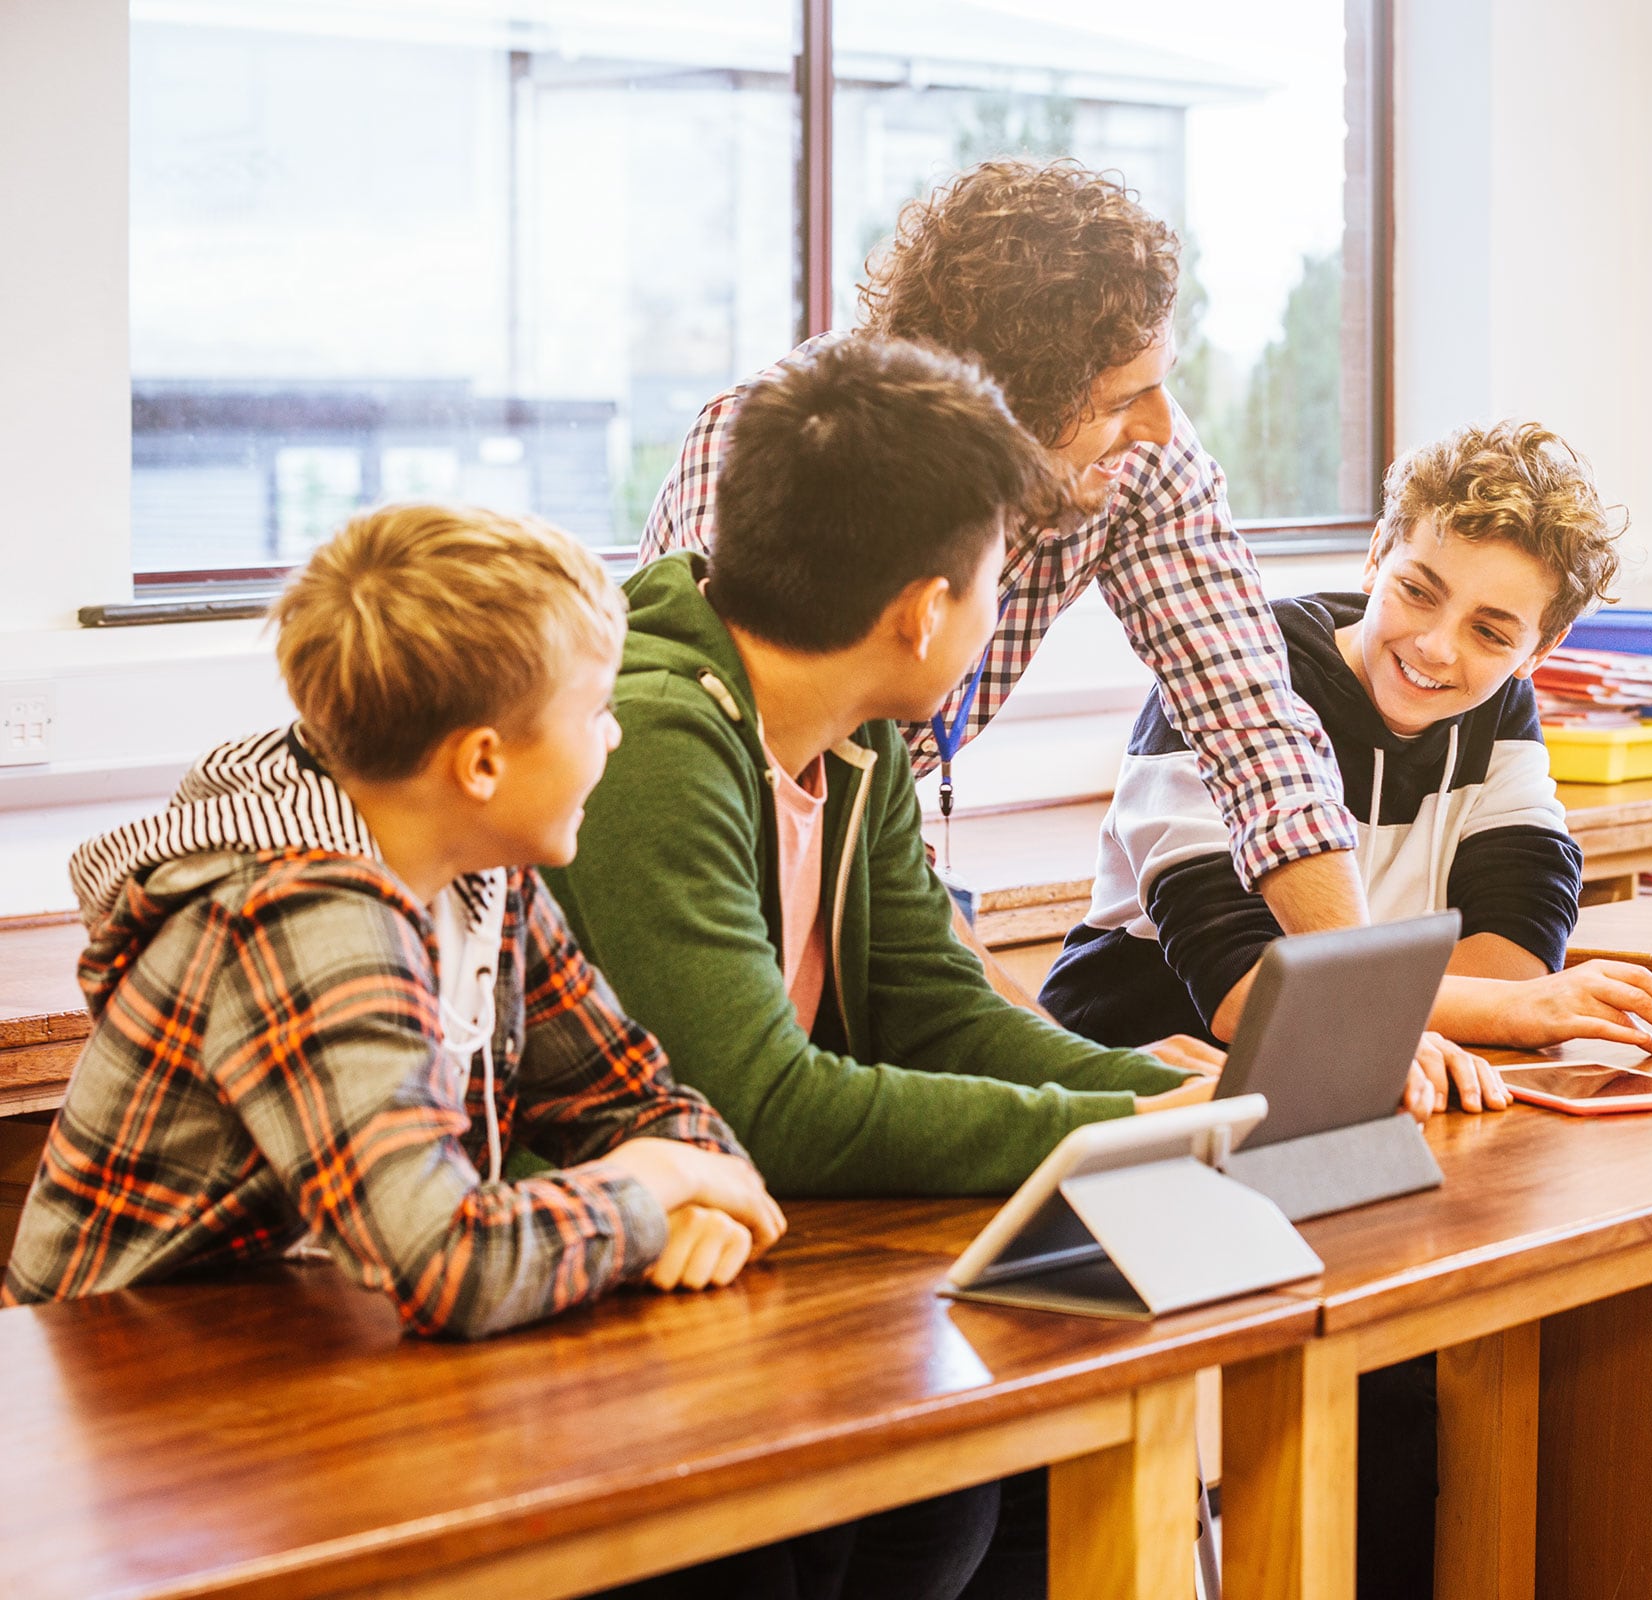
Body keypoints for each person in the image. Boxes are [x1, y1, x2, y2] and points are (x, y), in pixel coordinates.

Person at [2, 504, 783, 1333]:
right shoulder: (297, 917)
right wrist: (655, 1188)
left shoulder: (483, 871)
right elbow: (452, 1265)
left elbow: (644, 1106)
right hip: (117, 1381)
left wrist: (689, 1197)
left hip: (313, 1355)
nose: (616, 736)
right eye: (595, 712)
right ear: (482, 763)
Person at [641, 157, 1375, 984]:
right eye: (1118, 401)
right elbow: (769, 777)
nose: (1162, 428)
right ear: (1005, 414)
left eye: (1161, 382)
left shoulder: (1137, 463)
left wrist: (1355, 996)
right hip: (722, 854)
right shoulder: (786, 454)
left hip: (879, 844)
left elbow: (1254, 725)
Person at [545, 334, 1222, 1205]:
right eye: (992, 578)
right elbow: (760, 1110)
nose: (997, 608)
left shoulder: (857, 732)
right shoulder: (651, 748)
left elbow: (939, 1013)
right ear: (925, 614)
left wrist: (1186, 1097)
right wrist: (1124, 1125)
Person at [1041, 420, 1652, 1086]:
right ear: (1377, 553)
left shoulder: (1496, 709)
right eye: (1418, 592)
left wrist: (1379, 1011)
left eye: (1491, 633)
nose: (1437, 647)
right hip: (1120, 1084)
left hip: (1334, 1083)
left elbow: (1516, 952)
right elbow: (1243, 989)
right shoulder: (1236, 683)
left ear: (1539, 650)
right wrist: (1499, 1011)